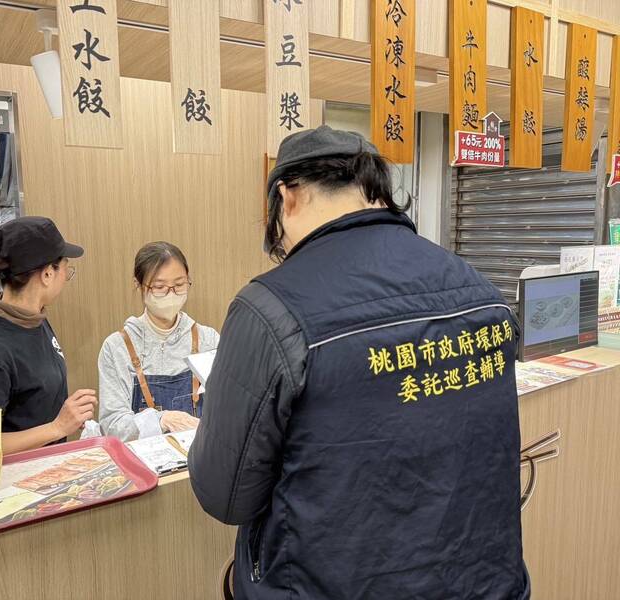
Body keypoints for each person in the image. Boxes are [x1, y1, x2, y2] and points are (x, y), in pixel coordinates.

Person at [188, 126, 530, 600]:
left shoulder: (270, 307)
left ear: (287, 196)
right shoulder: (481, 291)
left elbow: (223, 495)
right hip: (486, 585)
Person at [0, 216, 98, 455]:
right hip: (10, 483)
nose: (66, 277)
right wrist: (57, 427)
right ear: (48, 274)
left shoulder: (34, 318)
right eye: (65, 267)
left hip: (44, 468)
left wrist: (63, 413)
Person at [98, 242, 219, 442]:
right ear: (138, 285)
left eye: (179, 285)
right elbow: (113, 425)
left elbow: (229, 406)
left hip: (200, 459)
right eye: (160, 287)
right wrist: (161, 420)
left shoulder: (208, 339)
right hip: (142, 464)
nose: (171, 294)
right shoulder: (117, 347)